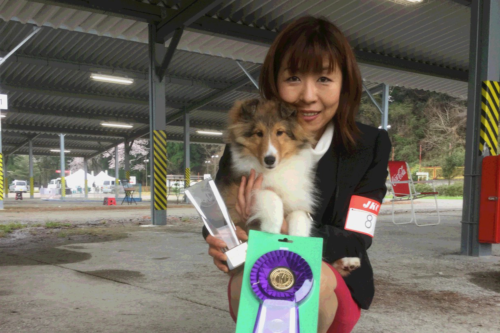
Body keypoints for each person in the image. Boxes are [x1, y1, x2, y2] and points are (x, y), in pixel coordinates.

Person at [203, 16, 391, 333]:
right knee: (245, 285)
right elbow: (219, 214)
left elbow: (358, 238)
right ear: (274, 82)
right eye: (293, 78)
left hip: (337, 273)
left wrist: (289, 229)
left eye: (324, 79)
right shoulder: (249, 142)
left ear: (345, 83)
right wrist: (223, 241)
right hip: (258, 268)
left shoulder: (370, 145)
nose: (307, 95)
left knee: (310, 283)